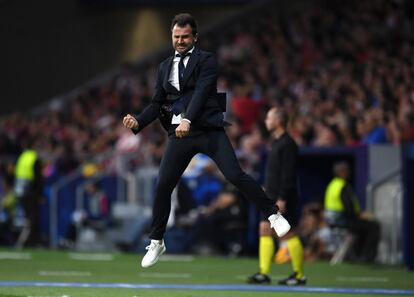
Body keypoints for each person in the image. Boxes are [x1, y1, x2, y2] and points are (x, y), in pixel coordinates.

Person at [122, 13, 290, 268]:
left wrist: (188, 118)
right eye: (176, 36)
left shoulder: (207, 60)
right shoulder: (165, 66)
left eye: (185, 36)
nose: (179, 41)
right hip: (180, 134)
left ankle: (273, 214)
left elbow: (201, 92)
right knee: (163, 185)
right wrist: (138, 122)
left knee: (235, 175)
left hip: (208, 130)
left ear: (195, 37)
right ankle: (156, 240)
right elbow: (158, 102)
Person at [247, 107, 306, 286]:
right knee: (264, 229)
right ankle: (264, 273)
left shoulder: (288, 144)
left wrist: (282, 198)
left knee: (288, 234)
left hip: (281, 197)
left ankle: (299, 275)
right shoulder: (277, 142)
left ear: (278, 121)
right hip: (271, 195)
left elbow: (289, 175)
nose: (266, 121)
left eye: (269, 118)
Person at [324, 161, 380, 263]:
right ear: (342, 172)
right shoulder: (343, 186)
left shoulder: (332, 185)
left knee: (363, 227)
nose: (349, 172)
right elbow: (348, 208)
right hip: (343, 220)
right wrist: (360, 216)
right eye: (346, 170)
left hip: (333, 221)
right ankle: (366, 257)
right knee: (373, 226)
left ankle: (358, 255)